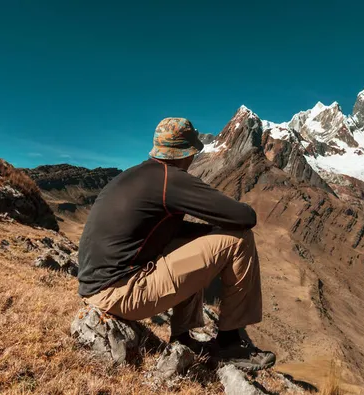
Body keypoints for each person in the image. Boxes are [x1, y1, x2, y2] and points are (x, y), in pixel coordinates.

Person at [76, 117, 275, 371]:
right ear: (188, 153)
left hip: (98, 288)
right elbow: (245, 217)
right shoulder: (171, 179)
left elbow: (166, 231)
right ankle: (230, 344)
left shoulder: (135, 175)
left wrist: (207, 234)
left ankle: (183, 338)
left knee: (190, 243)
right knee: (240, 240)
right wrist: (217, 231)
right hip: (121, 293)